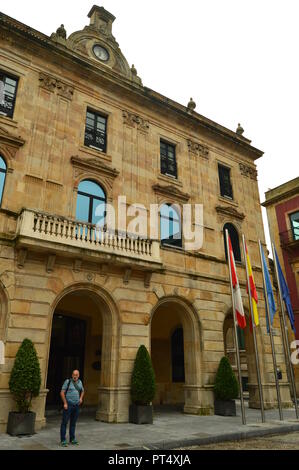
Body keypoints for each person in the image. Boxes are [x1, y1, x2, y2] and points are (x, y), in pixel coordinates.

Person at [60, 370, 84, 447]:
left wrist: (81, 398)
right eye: (73, 374)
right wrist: (65, 403)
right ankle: (63, 440)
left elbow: (82, 391)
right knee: (64, 423)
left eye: (76, 375)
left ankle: (72, 439)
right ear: (72, 375)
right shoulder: (68, 381)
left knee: (73, 423)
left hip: (76, 405)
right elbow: (62, 392)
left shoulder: (80, 382)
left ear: (78, 375)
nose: (75, 376)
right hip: (68, 405)